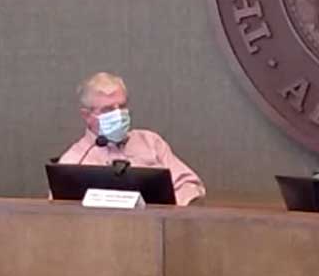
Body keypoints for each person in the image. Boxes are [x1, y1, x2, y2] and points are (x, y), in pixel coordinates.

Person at [56, 72, 206, 205]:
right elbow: (60, 211)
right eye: (108, 109)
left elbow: (189, 184)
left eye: (121, 106)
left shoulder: (151, 142)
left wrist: (164, 210)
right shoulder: (74, 160)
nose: (118, 114)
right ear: (87, 116)